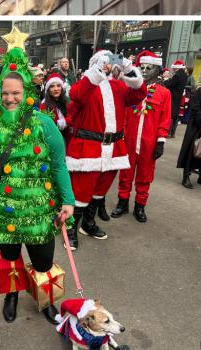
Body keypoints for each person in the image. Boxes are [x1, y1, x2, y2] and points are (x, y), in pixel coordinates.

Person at [0, 61, 74, 325]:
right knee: (9, 258)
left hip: (38, 212)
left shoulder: (44, 123)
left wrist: (68, 200)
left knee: (43, 262)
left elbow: (58, 164)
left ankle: (46, 301)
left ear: (27, 92)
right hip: (2, 211)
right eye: (5, 93)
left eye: (15, 93)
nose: (9, 98)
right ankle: (12, 296)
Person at [64, 50, 146, 245]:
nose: (109, 65)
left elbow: (139, 94)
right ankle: (71, 229)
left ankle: (88, 223)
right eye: (105, 62)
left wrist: (128, 68)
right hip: (88, 150)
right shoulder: (85, 85)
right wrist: (98, 70)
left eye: (111, 62)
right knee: (81, 193)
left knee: (99, 191)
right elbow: (76, 96)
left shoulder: (118, 86)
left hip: (113, 150)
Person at [109, 50, 171, 223]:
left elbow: (165, 118)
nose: (144, 71)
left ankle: (140, 205)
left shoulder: (164, 93)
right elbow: (124, 115)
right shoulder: (131, 90)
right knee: (125, 173)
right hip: (129, 139)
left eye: (148, 67)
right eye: (141, 67)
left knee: (145, 175)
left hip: (149, 142)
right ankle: (122, 202)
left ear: (158, 70)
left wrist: (161, 141)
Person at [164, 59, 189, 138]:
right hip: (178, 96)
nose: (173, 69)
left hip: (173, 96)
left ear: (177, 67)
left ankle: (168, 132)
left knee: (171, 115)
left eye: (174, 68)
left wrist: (166, 80)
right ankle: (173, 133)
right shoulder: (184, 75)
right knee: (175, 115)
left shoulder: (177, 75)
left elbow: (170, 85)